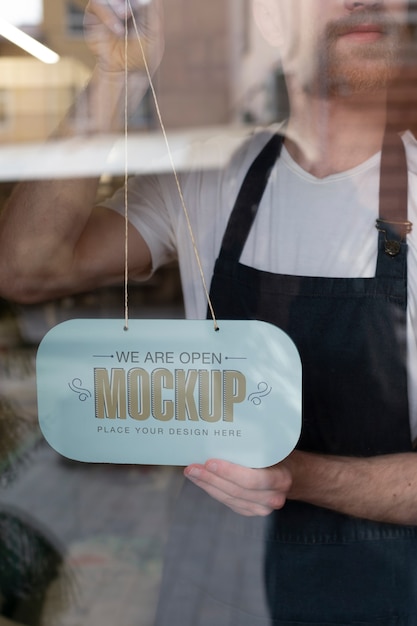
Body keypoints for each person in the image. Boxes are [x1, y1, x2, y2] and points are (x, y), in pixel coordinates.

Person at [1, 0, 417, 622]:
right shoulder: (212, 178)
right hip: (216, 579)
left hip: (385, 592)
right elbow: (28, 268)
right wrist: (115, 77)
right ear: (270, 20)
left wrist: (299, 476)